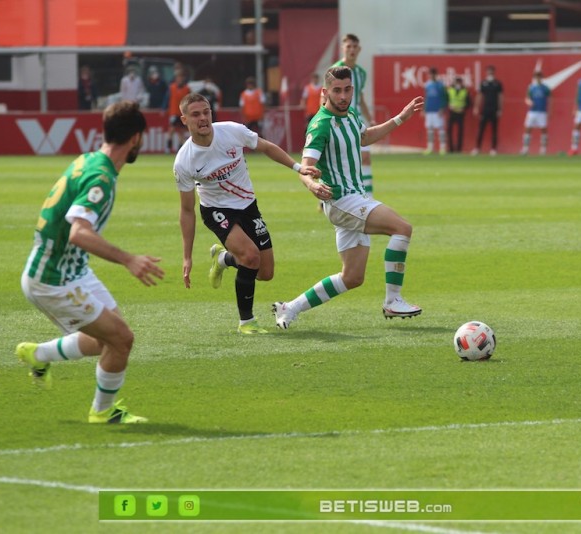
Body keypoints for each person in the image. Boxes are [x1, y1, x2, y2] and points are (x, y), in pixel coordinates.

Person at [15, 101, 163, 424]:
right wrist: (129, 259)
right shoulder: (101, 178)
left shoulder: (90, 160)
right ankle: (103, 412)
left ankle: (38, 354)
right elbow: (79, 234)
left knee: (108, 340)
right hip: (53, 279)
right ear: (136, 138)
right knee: (121, 339)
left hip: (71, 270)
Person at [271, 66, 424, 330]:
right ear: (325, 92)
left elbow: (364, 136)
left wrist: (400, 118)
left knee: (352, 278)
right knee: (402, 228)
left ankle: (290, 308)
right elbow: (305, 167)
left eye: (347, 90)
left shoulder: (351, 113)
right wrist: (312, 185)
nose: (343, 96)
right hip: (342, 201)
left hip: (355, 199)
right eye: (337, 91)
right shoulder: (320, 125)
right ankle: (393, 299)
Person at [174, 93, 321, 334]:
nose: (203, 118)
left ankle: (224, 259)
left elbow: (266, 146)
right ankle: (246, 321)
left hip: (248, 206)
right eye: (195, 114)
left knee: (265, 272)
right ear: (184, 120)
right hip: (217, 211)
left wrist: (298, 167)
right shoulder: (184, 161)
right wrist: (186, 257)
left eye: (206, 112)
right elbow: (186, 210)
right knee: (251, 257)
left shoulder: (231, 131)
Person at [331, 34, 375, 194]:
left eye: (354, 47)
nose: (352, 50)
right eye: (348, 46)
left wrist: (371, 119)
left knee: (365, 157)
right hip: (339, 122)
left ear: (359, 49)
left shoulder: (361, 73)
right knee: (339, 162)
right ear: (342, 48)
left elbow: (360, 97)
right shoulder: (334, 71)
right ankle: (327, 197)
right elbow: (325, 98)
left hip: (357, 121)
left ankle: (368, 198)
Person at [471, 65, 503, 156]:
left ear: (494, 72)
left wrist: (500, 109)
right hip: (485, 109)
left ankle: (493, 149)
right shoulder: (483, 83)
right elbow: (479, 95)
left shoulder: (497, 83)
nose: (490, 73)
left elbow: (500, 97)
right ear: (486, 72)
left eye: (491, 72)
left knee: (494, 130)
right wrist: (476, 107)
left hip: (494, 109)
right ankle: (477, 148)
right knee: (481, 129)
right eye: (488, 72)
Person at [521, 71, 552, 156]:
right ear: (534, 78)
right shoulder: (531, 87)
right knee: (528, 129)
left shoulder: (545, 88)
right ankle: (525, 148)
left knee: (543, 130)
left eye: (540, 77)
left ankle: (543, 149)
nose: (538, 79)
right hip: (532, 111)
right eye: (536, 77)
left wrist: (550, 111)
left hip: (542, 111)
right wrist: (529, 102)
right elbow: (527, 98)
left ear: (542, 78)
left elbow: (549, 100)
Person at [422, 67, 447, 155]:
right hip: (429, 110)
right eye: (430, 74)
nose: (431, 75)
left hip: (437, 110)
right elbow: (426, 97)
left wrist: (442, 108)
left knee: (440, 128)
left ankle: (442, 148)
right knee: (430, 129)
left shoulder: (440, 85)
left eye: (433, 74)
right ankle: (430, 147)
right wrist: (424, 109)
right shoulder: (427, 85)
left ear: (436, 75)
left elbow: (444, 98)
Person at [165, 70, 191, 153]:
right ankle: (168, 148)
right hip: (174, 112)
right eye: (178, 78)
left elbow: (189, 100)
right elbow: (167, 98)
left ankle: (180, 148)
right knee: (171, 130)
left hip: (182, 113)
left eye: (181, 78)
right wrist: (164, 108)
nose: (179, 79)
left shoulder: (187, 88)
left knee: (181, 132)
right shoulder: (172, 87)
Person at [446, 77, 469, 153]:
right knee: (449, 130)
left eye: (459, 83)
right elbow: (446, 99)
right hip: (452, 113)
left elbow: (468, 103)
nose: (458, 84)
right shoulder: (450, 90)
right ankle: (451, 148)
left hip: (460, 113)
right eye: (457, 82)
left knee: (460, 131)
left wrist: (463, 108)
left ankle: (459, 149)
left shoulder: (465, 91)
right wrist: (449, 105)